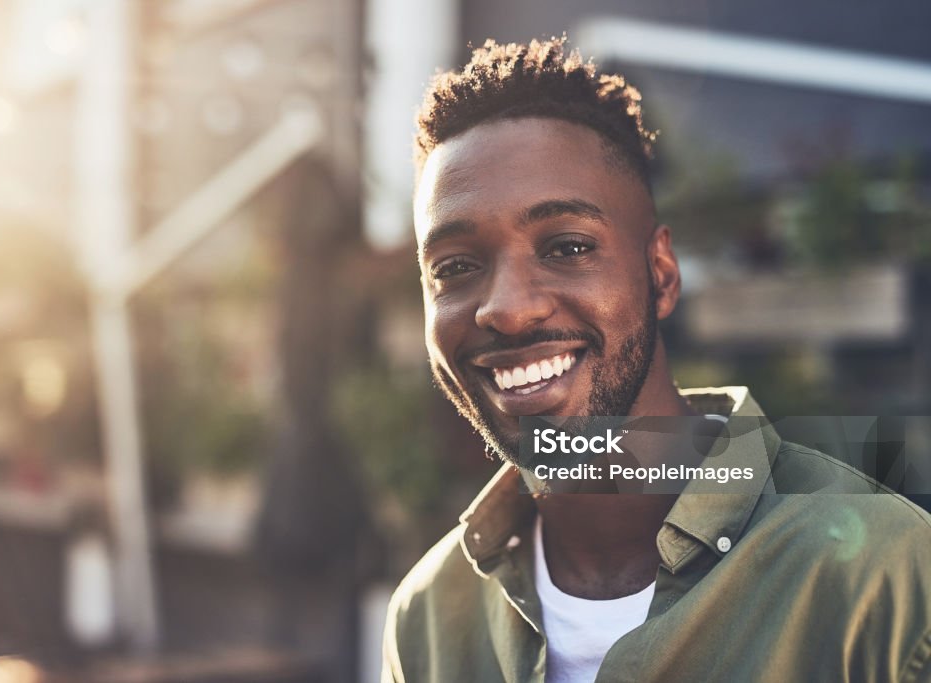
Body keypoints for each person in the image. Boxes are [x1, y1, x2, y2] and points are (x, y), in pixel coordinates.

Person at [381, 37, 931, 682]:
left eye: (566, 246)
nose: (506, 309)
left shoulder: (885, 575)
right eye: (455, 267)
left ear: (661, 274)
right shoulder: (428, 614)